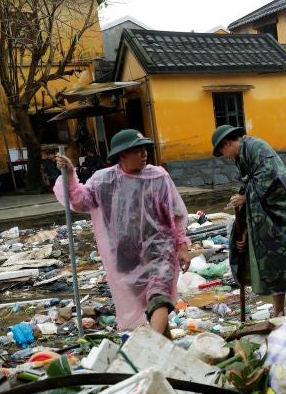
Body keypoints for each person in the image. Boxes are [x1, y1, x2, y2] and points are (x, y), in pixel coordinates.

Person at [54, 129, 191, 337]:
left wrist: (182, 247)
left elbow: (176, 214)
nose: (144, 154)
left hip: (159, 250)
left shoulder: (158, 177)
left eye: (145, 149)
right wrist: (71, 174)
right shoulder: (105, 181)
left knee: (159, 297)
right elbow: (81, 201)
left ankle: (154, 346)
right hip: (127, 258)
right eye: (137, 150)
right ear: (122, 154)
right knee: (152, 306)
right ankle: (167, 351)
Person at [212, 124, 286, 315]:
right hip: (267, 219)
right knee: (273, 265)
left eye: (223, 151)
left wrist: (245, 197)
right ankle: (278, 314)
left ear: (227, 143)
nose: (226, 157)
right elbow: (250, 185)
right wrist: (245, 231)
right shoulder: (242, 157)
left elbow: (269, 176)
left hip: (285, 215)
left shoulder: (256, 147)